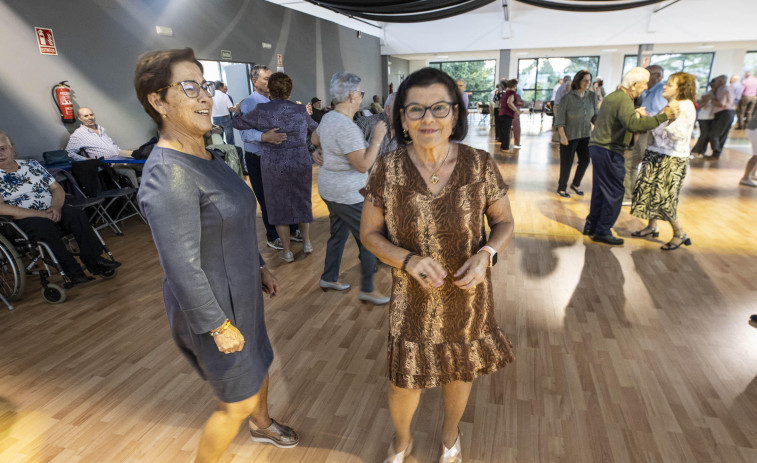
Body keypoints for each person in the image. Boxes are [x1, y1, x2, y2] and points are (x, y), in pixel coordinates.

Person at [134, 48, 298, 463]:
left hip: (240, 287)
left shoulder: (208, 155)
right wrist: (216, 325)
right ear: (158, 101)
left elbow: (235, 220)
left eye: (204, 85)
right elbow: (180, 267)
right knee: (236, 401)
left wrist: (259, 265)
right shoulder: (169, 174)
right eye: (189, 87)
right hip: (212, 306)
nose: (205, 97)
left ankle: (262, 427)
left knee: (258, 362)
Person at [359, 67, 515, 463]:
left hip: (468, 291)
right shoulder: (388, 169)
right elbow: (370, 235)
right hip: (411, 295)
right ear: (403, 119)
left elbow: (504, 222)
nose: (428, 119)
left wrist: (486, 255)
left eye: (439, 108)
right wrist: (408, 260)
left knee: (459, 373)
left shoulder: (479, 165)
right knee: (403, 381)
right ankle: (401, 441)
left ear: (455, 115)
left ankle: (449, 436)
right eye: (416, 110)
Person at [0, 131, 120, 285]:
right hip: (21, 220)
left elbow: (56, 188)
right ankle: (73, 272)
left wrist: (55, 207)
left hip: (51, 210)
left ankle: (95, 260)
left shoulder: (31, 165)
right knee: (44, 226)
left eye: (3, 148)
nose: (0, 154)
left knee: (76, 214)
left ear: (13, 148)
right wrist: (40, 214)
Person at [311, 71, 389, 305]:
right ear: (353, 95)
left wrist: (322, 149)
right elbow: (363, 164)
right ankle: (367, 288)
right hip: (348, 194)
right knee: (369, 236)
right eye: (361, 92)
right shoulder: (347, 127)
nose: (361, 97)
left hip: (329, 189)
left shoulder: (329, 118)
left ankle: (329, 277)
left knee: (338, 233)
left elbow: (315, 140)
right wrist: (377, 138)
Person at [584, 67, 678, 246]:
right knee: (615, 192)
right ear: (634, 84)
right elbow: (633, 125)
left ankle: (592, 226)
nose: (644, 89)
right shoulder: (624, 99)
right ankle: (602, 230)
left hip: (599, 148)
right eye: (643, 86)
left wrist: (635, 113)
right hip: (609, 150)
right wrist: (662, 116)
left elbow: (622, 120)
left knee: (601, 190)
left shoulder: (614, 96)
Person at [232, 72, 317, 262]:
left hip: (274, 161)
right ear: (290, 90)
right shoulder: (300, 110)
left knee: (277, 204)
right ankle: (307, 242)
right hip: (299, 160)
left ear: (270, 89)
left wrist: (237, 110)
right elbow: (315, 127)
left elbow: (237, 123)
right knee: (302, 200)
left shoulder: (262, 110)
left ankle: (286, 251)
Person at [630, 72, 697, 250]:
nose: (665, 86)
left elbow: (678, 134)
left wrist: (667, 117)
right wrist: (650, 119)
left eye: (670, 84)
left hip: (671, 158)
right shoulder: (671, 105)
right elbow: (658, 131)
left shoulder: (685, 106)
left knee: (664, 199)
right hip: (656, 153)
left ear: (680, 89)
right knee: (649, 193)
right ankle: (652, 226)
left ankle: (679, 233)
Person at [237, 65, 297, 250]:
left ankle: (292, 230)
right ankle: (273, 235)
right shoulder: (249, 104)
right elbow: (245, 134)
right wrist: (263, 136)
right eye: (266, 79)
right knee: (267, 198)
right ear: (254, 82)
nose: (271, 82)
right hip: (259, 158)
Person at [623, 65, 666, 205]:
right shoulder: (649, 91)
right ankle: (629, 196)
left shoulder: (660, 90)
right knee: (631, 163)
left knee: (647, 166)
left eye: (648, 75)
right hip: (645, 130)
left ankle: (645, 199)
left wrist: (644, 117)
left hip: (653, 133)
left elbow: (660, 114)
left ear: (657, 76)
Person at [65, 107, 140, 188]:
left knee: (143, 164)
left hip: (120, 157)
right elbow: (68, 153)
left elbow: (112, 145)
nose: (90, 117)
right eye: (86, 116)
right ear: (80, 118)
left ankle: (147, 190)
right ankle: (137, 197)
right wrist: (86, 160)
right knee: (129, 172)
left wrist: (123, 153)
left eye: (91, 114)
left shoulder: (101, 129)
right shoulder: (78, 134)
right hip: (108, 165)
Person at [555, 70, 599, 198]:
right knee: (567, 163)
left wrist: (601, 128)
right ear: (578, 81)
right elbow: (560, 120)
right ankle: (562, 188)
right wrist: (562, 136)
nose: (588, 83)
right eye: (585, 80)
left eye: (589, 80)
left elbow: (595, 116)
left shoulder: (591, 96)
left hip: (585, 135)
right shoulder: (567, 98)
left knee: (585, 161)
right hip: (569, 136)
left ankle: (575, 184)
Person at [707, 75, 735, 158]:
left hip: (724, 113)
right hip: (727, 113)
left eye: (716, 81)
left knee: (714, 134)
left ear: (721, 82)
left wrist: (710, 99)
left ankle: (716, 152)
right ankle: (716, 153)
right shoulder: (722, 89)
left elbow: (721, 104)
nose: (714, 83)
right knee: (721, 134)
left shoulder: (723, 90)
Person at [691, 83, 716, 158]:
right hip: (704, 117)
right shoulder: (707, 94)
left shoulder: (714, 95)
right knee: (704, 135)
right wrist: (706, 102)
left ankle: (700, 151)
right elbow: (699, 106)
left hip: (710, 117)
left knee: (706, 135)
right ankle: (695, 151)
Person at [211, 81, 240, 145]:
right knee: (230, 140)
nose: (226, 89)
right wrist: (237, 105)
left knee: (218, 140)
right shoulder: (225, 96)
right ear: (220, 87)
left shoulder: (211, 96)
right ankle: (232, 154)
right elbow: (231, 110)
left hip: (215, 119)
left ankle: (220, 154)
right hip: (226, 119)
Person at [498, 79, 518, 151]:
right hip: (507, 114)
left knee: (504, 131)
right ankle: (505, 148)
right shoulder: (512, 93)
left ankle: (503, 147)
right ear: (514, 85)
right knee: (506, 132)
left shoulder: (506, 93)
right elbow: (509, 102)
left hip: (502, 113)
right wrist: (516, 110)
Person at [740, 105, 757, 187]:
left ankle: (752, 174)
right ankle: (745, 177)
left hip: (753, 128)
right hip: (755, 129)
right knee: (756, 155)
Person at [551, 75, 572, 142]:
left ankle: (556, 139)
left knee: (559, 124)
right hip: (558, 106)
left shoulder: (561, 86)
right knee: (560, 124)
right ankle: (558, 139)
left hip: (557, 106)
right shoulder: (564, 87)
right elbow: (566, 97)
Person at [509, 79, 523, 149]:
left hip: (515, 115)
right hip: (511, 114)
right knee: (509, 130)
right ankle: (507, 143)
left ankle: (517, 143)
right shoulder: (510, 95)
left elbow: (522, 103)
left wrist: (516, 103)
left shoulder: (517, 96)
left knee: (516, 129)